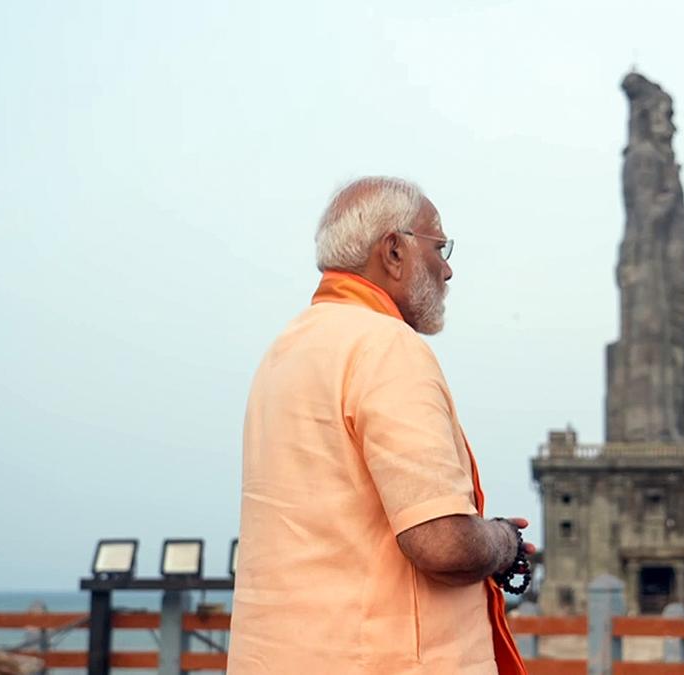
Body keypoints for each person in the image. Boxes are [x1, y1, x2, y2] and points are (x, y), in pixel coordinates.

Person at [227, 177, 532, 674]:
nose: (448, 270)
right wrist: (503, 543)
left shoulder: (286, 351)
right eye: (440, 247)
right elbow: (441, 541)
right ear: (394, 250)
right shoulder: (386, 345)